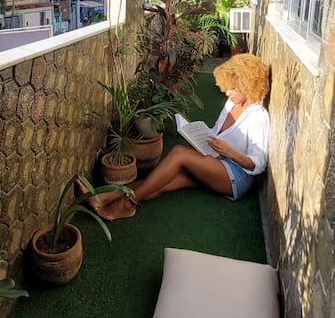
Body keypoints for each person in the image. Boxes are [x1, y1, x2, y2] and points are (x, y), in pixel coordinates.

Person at [86, 53, 270, 221]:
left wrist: (230, 153)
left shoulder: (258, 116)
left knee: (179, 154)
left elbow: (259, 164)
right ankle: (104, 197)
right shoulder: (232, 103)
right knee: (161, 181)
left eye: (233, 89)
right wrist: (200, 135)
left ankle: (128, 204)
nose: (228, 93)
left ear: (248, 85)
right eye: (227, 88)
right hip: (216, 161)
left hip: (237, 177)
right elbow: (216, 130)